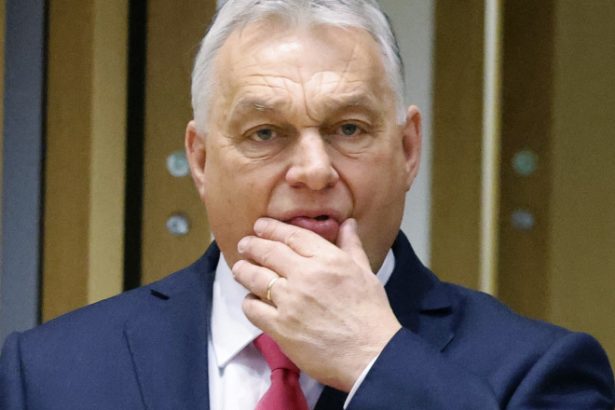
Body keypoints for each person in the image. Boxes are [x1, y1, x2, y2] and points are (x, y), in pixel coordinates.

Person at [1, 0, 614, 408]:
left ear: (407, 149)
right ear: (202, 160)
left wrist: (376, 360)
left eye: (349, 128)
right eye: (265, 133)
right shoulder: (49, 373)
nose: (314, 170)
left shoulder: (541, 372)